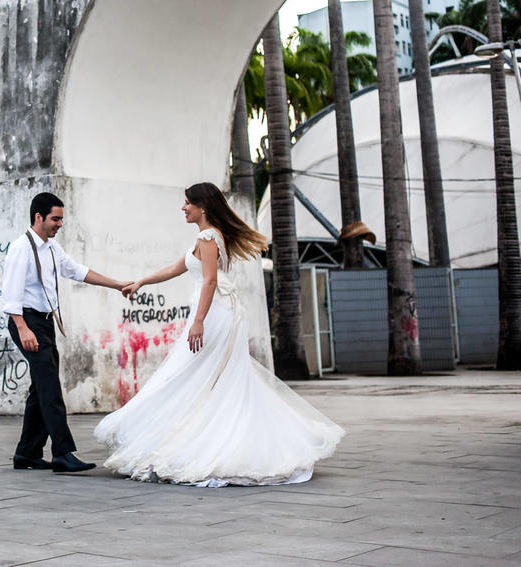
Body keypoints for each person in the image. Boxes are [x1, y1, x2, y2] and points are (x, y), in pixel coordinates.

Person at [94, 182, 345, 486]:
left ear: (203, 207)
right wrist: (141, 282)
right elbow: (177, 267)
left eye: (187, 203)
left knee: (192, 375)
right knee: (204, 378)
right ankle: (194, 434)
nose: (183, 208)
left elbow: (210, 282)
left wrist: (198, 321)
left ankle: (204, 440)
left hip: (214, 315)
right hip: (214, 313)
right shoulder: (204, 239)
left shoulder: (208, 237)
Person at [1, 192, 126, 473]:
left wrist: (117, 285)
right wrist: (23, 329)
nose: (60, 224)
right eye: (55, 219)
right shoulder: (21, 248)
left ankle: (27, 454)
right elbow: (10, 296)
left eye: (61, 219)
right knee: (50, 388)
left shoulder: (52, 249)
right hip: (27, 322)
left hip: (45, 322)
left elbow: (79, 271)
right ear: (38, 217)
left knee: (41, 388)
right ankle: (62, 452)